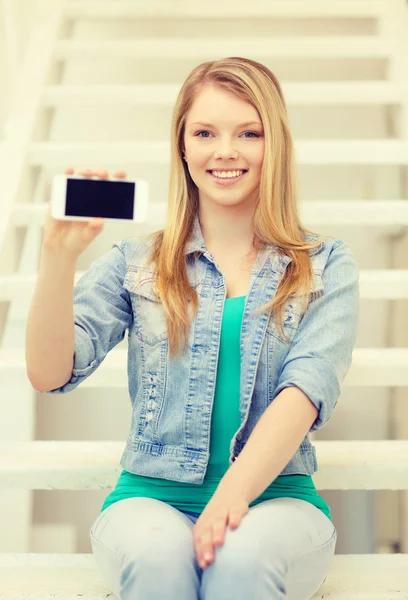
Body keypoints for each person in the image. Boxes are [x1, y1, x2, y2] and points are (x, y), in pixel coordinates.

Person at [26, 56, 359, 600]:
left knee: (240, 563)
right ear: (182, 146)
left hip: (278, 501)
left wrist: (231, 498)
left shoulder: (325, 266)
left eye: (248, 132)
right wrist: (56, 260)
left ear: (274, 144)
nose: (225, 150)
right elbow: (47, 373)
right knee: (160, 561)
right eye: (205, 132)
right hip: (149, 500)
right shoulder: (137, 263)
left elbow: (306, 389)